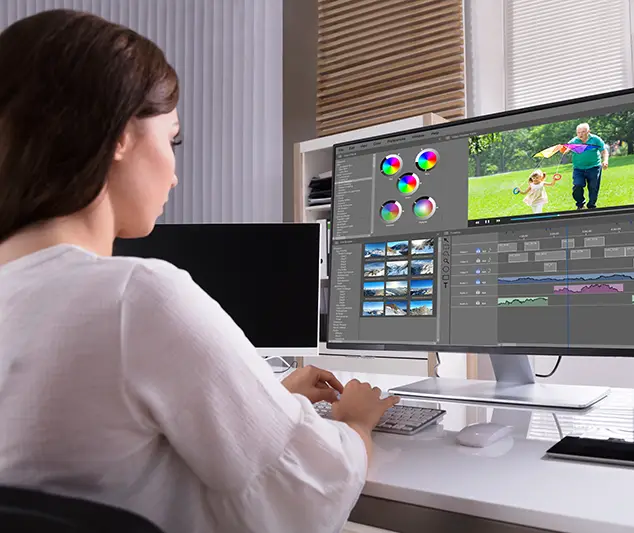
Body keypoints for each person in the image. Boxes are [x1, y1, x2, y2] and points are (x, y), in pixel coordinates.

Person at [0, 9, 398, 533]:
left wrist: (268, 399)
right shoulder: (136, 295)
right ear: (120, 135)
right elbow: (305, 493)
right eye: (172, 139)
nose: (175, 174)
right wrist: (353, 424)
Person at [568, 123, 609, 210]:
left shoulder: (595, 139)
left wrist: (605, 161)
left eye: (583, 132)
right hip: (578, 169)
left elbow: (604, 151)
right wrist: (563, 149)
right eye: (578, 132)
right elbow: (566, 149)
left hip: (594, 167)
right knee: (577, 186)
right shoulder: (574, 141)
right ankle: (580, 204)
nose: (580, 134)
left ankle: (591, 206)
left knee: (593, 188)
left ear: (588, 131)